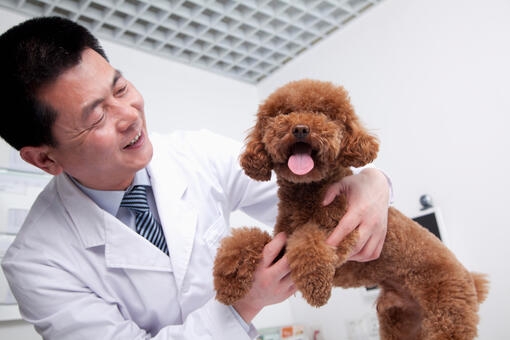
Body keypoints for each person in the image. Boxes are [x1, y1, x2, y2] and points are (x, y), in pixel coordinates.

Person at [0, 16, 390, 340]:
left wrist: (376, 183)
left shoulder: (196, 154)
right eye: (97, 117)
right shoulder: (38, 262)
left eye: (120, 88)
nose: (130, 115)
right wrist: (244, 304)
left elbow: (318, 196)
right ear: (44, 158)